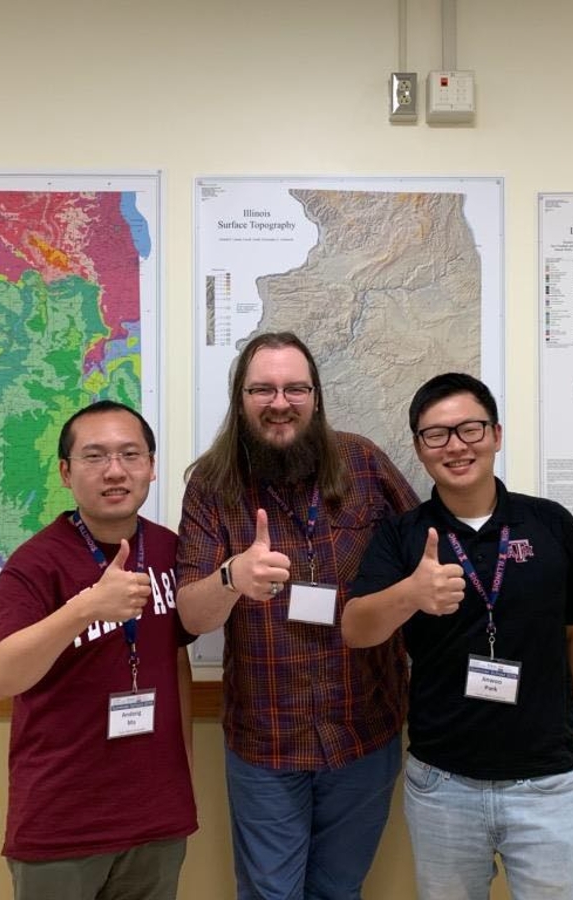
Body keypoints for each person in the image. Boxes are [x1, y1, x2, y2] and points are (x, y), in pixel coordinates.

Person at [343, 372, 573, 900]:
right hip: (443, 784)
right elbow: (355, 629)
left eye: (470, 428)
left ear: (496, 434)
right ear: (420, 449)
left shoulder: (550, 524)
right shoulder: (403, 535)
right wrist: (411, 594)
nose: (456, 446)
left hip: (546, 784)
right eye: (436, 434)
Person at [176, 331, 418, 900]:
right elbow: (190, 613)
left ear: (316, 396)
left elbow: (424, 558)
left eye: (294, 389)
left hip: (364, 729)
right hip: (268, 740)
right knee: (270, 896)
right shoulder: (211, 485)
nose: (279, 403)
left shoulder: (363, 464)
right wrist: (232, 576)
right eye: (262, 389)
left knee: (340, 891)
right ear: (240, 400)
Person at [0, 400, 197, 900]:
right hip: (62, 823)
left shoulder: (169, 550)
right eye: (95, 457)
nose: (115, 471)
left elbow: (176, 660)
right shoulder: (35, 564)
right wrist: (85, 608)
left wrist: (181, 774)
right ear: (65, 471)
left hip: (156, 818)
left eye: (130, 455)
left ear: (151, 466)